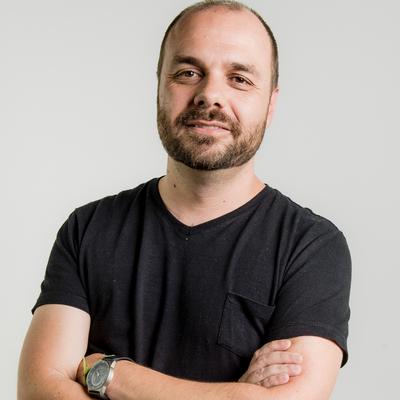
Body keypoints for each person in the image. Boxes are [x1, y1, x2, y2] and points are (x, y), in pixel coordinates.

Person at [18, 1, 351, 399]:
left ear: (271, 103)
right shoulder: (87, 229)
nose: (209, 95)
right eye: (189, 73)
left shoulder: (311, 247)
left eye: (239, 79)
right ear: (159, 85)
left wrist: (111, 374)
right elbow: (38, 390)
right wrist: (236, 394)